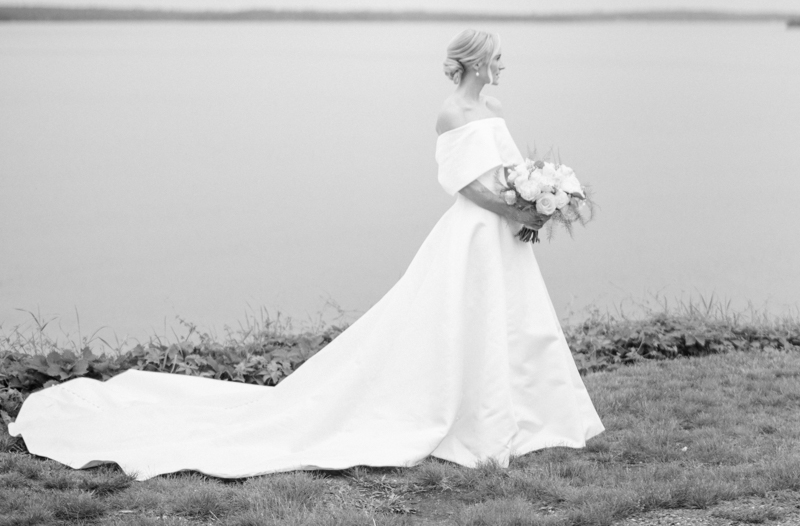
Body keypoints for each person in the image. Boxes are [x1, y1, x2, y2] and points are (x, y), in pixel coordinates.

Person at [9, 29, 603, 479]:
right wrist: (520, 209)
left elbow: (506, 171)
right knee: (456, 320)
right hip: (475, 230)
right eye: (496, 55)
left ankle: (526, 414)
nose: (503, 64)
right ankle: (469, 417)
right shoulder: (452, 112)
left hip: (500, 232)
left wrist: (535, 197)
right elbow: (466, 183)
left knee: (512, 321)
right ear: (475, 60)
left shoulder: (494, 112)